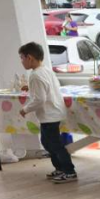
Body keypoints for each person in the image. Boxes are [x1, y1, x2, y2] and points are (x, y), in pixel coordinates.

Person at [17, 42, 77, 183]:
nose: (21, 61)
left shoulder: (36, 75)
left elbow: (40, 99)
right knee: (47, 142)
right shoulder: (45, 70)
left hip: (50, 115)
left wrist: (25, 109)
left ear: (29, 57)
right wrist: (30, 87)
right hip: (52, 114)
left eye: (22, 58)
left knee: (54, 145)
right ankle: (60, 168)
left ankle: (69, 171)